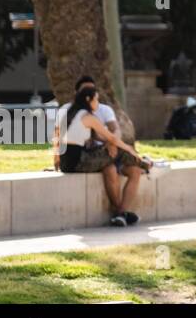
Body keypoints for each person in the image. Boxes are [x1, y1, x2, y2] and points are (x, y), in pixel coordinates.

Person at [58, 86, 145, 227]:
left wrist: (112, 144)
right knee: (122, 152)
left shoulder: (73, 113)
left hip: (67, 161)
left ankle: (121, 213)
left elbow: (100, 137)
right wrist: (129, 149)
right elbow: (111, 137)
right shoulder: (88, 117)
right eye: (96, 100)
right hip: (78, 161)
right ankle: (146, 164)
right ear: (88, 99)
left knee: (113, 158)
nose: (97, 104)